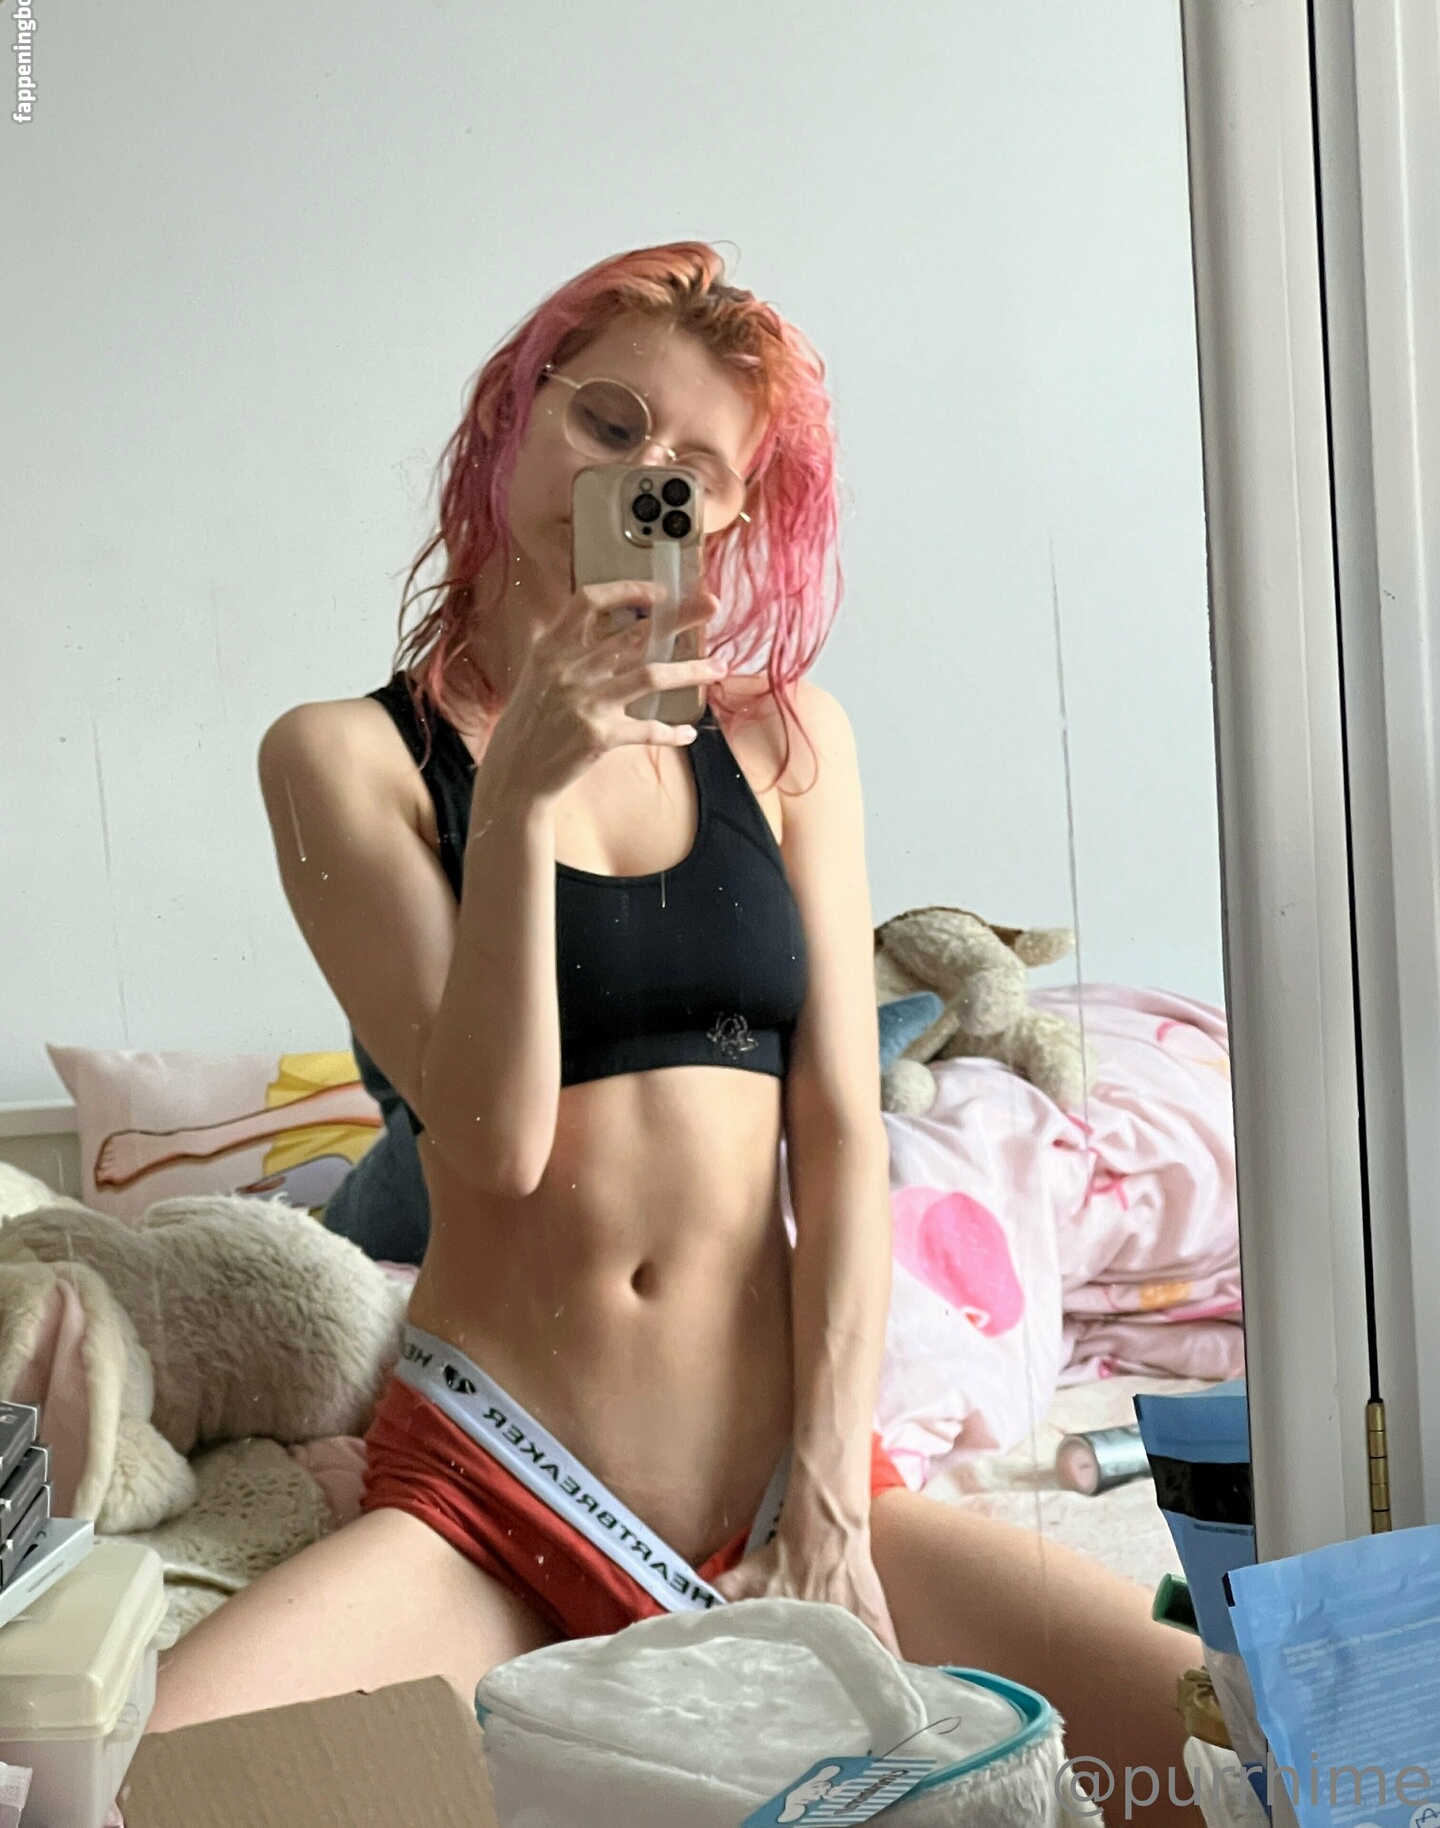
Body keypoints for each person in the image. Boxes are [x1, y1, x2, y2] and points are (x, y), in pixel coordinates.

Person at [149, 242, 1199, 1813]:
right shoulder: (341, 758)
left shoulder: (787, 745)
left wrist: (831, 1495)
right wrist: (518, 802)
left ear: (730, 520)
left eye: (697, 472)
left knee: (1239, 1748)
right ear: (513, 417)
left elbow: (839, 1136)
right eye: (609, 422)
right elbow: (492, 1147)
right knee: (150, 1784)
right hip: (496, 1493)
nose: (643, 480)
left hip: (787, 1487)